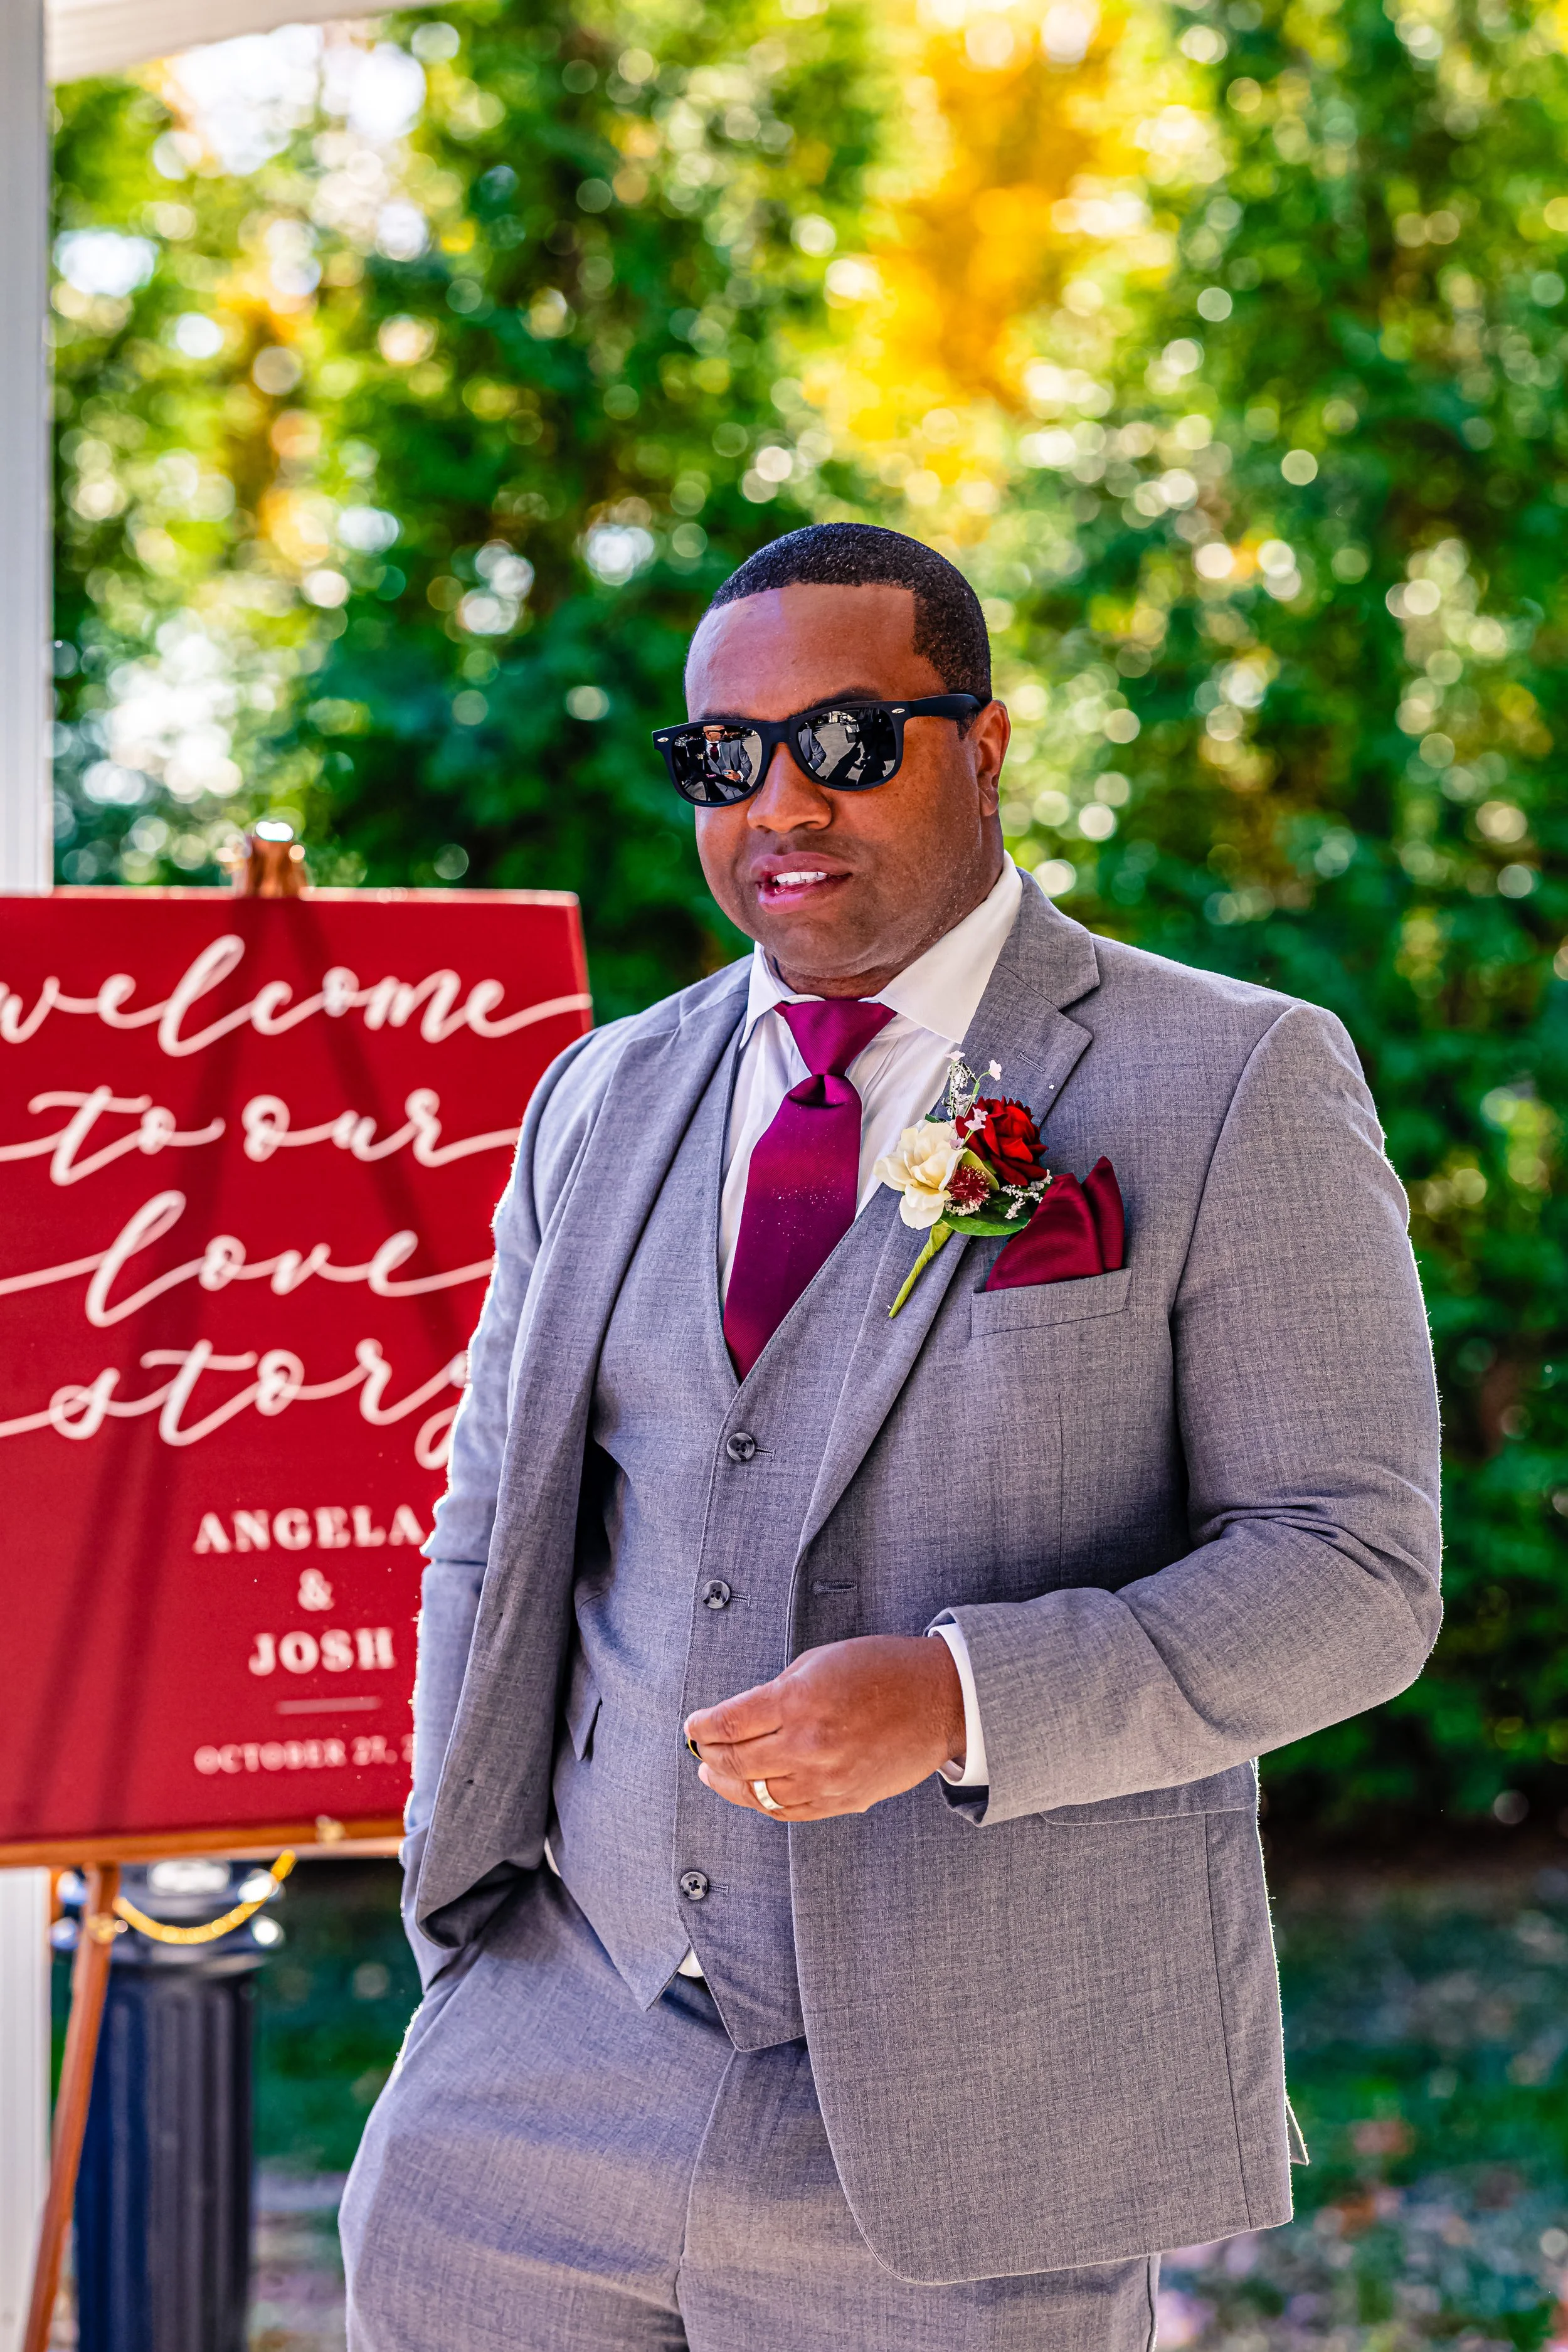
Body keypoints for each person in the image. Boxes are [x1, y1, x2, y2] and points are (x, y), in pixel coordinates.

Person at [340, 522, 1441, 2350]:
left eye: (845, 741)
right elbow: (491, 1527)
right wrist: (464, 1938)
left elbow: (1353, 1569)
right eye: (723, 756)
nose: (780, 801)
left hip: (976, 2120)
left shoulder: (1229, 1078)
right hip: (537, 2072)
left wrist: (958, 1697)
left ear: (984, 746)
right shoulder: (599, 1091)